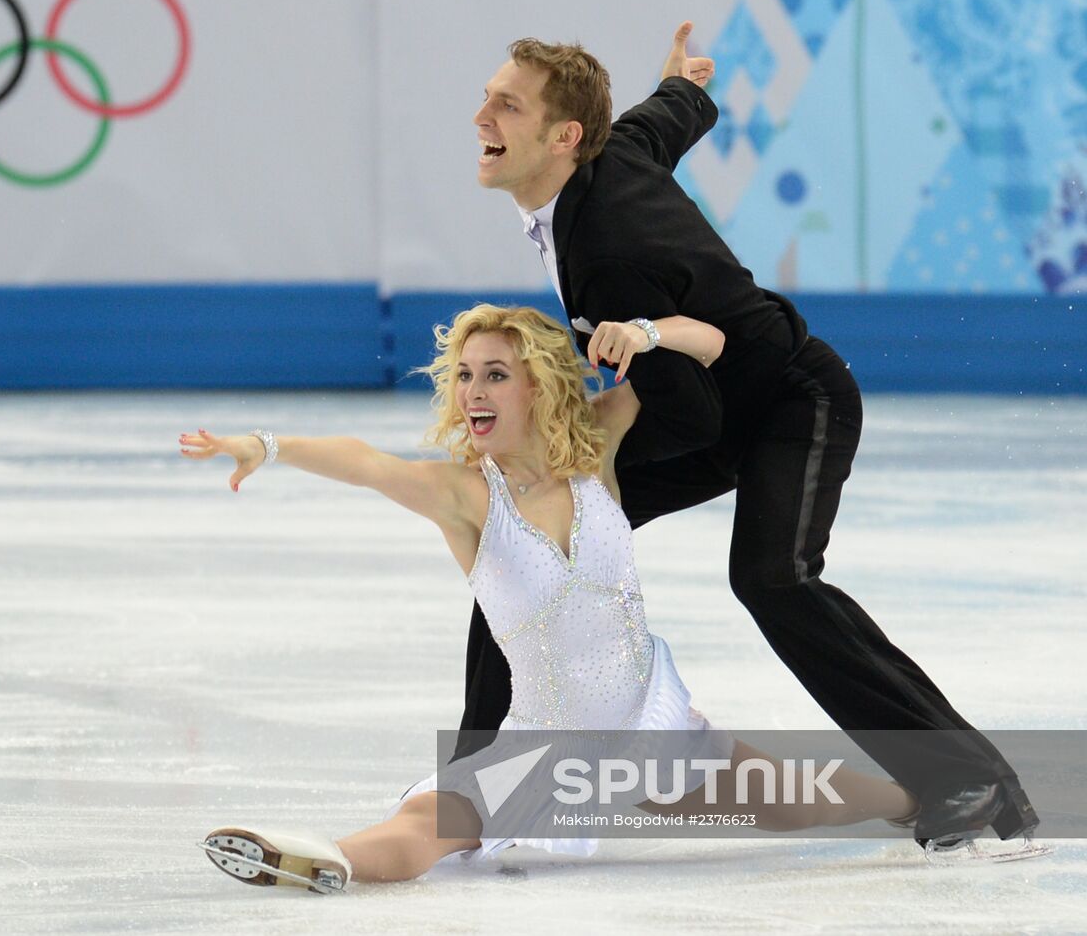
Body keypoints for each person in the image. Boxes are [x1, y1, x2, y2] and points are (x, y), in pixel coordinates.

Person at [466, 24, 1038, 854]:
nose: (481, 114)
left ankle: (966, 777)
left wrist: (585, 456)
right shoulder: (607, 159)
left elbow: (689, 421)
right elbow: (656, 127)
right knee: (520, 539)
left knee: (775, 579)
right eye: (488, 96)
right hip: (713, 402)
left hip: (789, 401)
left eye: (505, 104)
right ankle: (476, 776)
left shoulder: (607, 252)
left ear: (564, 139)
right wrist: (686, 87)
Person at [181, 304, 918, 893]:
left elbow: (717, 346)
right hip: (546, 752)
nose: (473, 391)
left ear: (538, 385)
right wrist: (267, 445)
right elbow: (367, 463)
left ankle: (926, 805)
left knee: (803, 798)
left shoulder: (597, 446)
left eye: (496, 373)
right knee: (429, 826)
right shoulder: (467, 497)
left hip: (651, 729)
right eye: (466, 375)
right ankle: (321, 857)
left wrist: (648, 333)